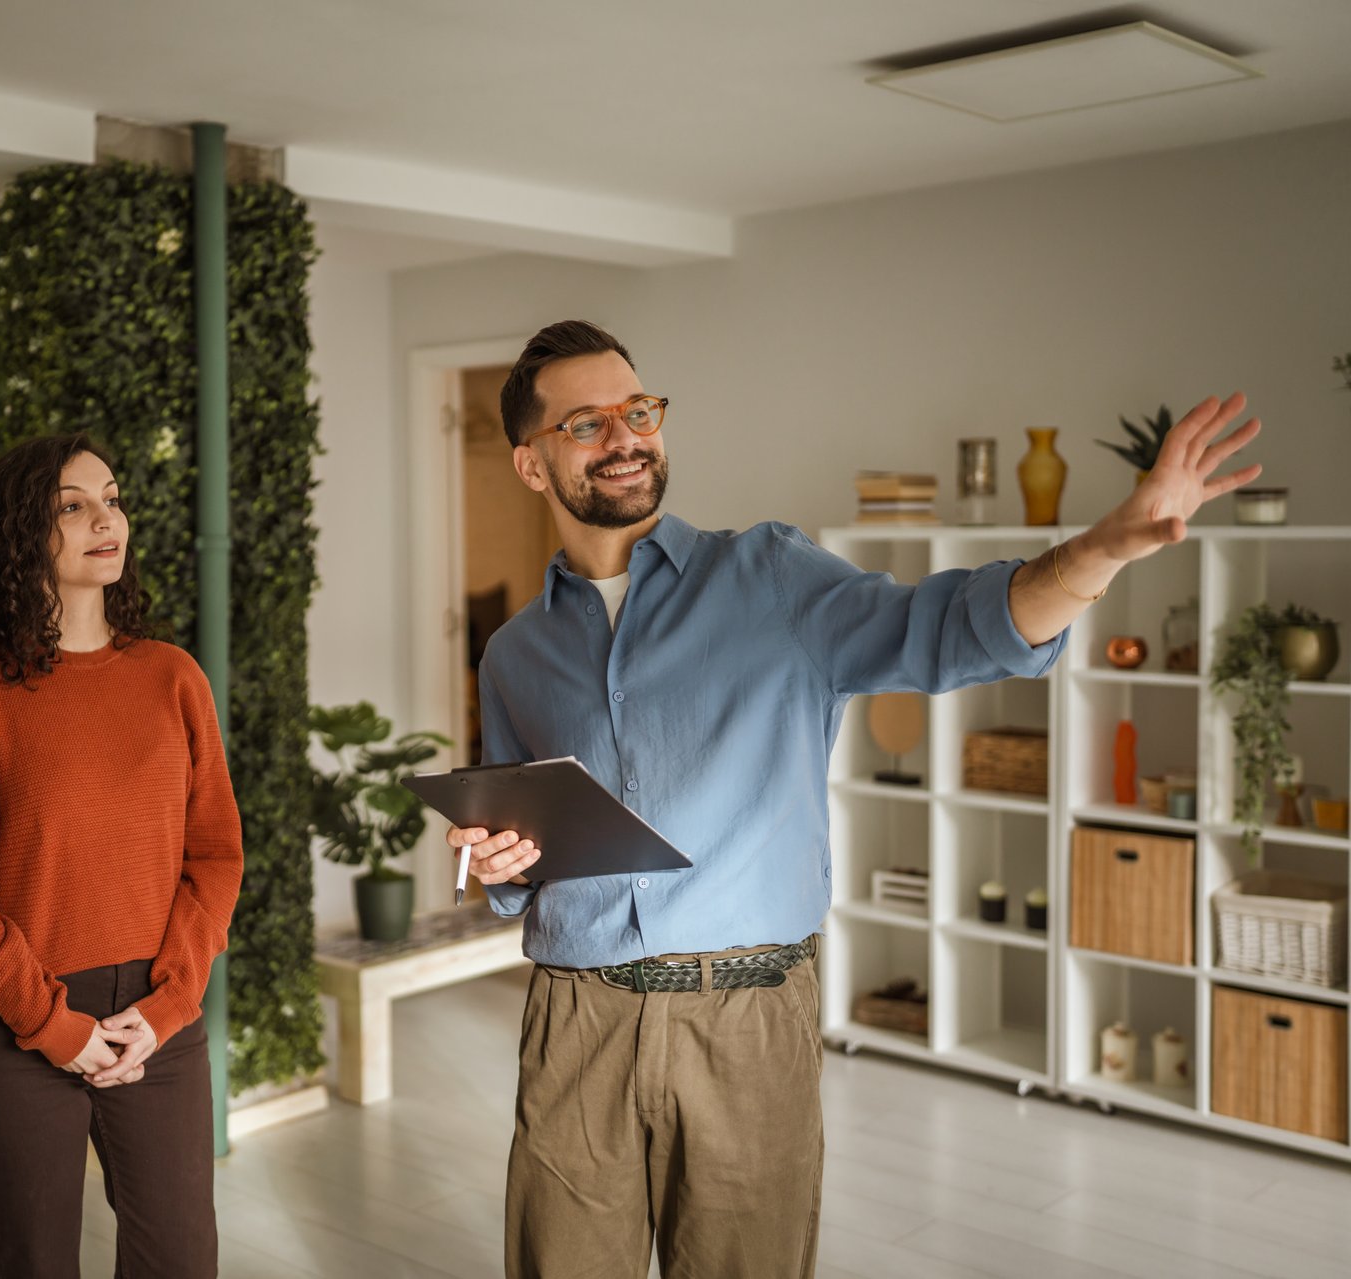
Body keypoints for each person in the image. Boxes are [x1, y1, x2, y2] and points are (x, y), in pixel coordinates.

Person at [445, 320, 1263, 1279]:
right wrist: (495, 859)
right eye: (587, 424)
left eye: (639, 411)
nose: (627, 437)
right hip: (575, 1025)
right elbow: (514, 844)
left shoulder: (771, 578)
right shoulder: (514, 654)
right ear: (532, 464)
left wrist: (1110, 546)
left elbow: (950, 629)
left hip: (746, 1021)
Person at [0, 432, 243, 1278]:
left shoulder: (173, 677)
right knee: (34, 1263)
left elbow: (215, 856)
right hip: (17, 1024)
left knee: (181, 1258)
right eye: (73, 505)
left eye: (114, 498)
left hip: (155, 1019)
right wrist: (53, 1027)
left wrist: (168, 1007)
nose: (108, 520)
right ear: (23, 533)